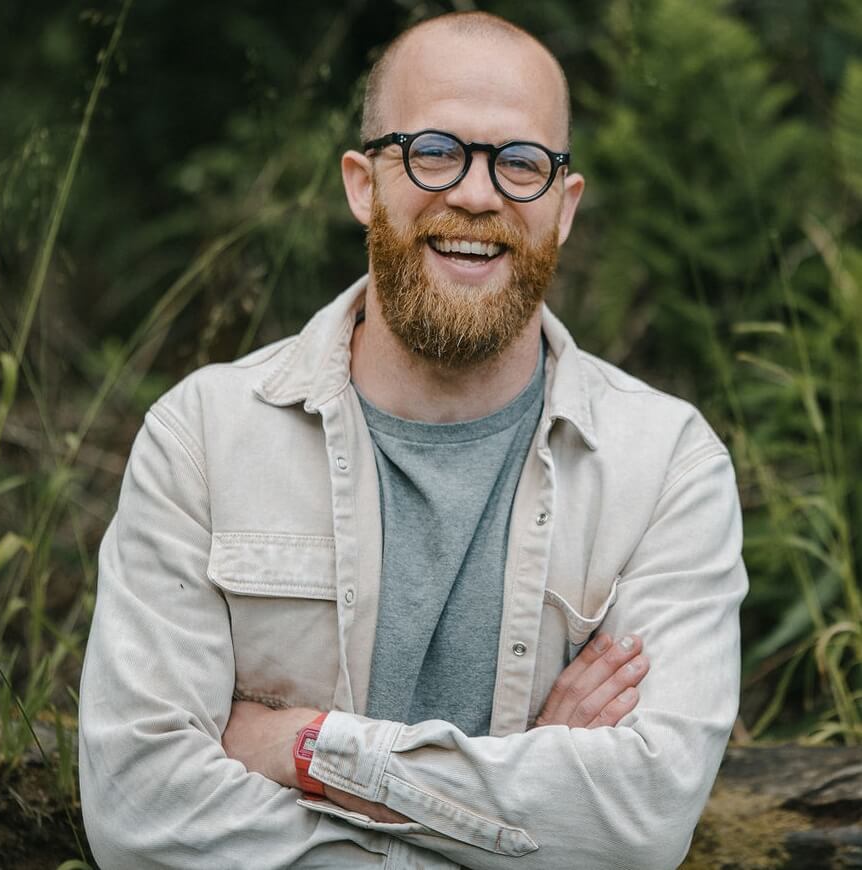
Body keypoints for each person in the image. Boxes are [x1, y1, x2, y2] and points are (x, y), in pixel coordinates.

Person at [79, 11, 747, 869]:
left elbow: (641, 822)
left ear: (564, 206)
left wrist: (309, 749)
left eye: (520, 163)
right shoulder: (203, 438)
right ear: (363, 184)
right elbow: (139, 812)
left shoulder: (666, 467)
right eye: (434, 150)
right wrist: (513, 813)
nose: (476, 193)